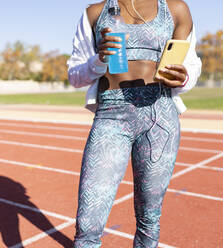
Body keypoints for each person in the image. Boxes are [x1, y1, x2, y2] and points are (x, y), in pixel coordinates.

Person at [67, 0, 202, 247]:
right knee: (88, 222)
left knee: (149, 218)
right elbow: (74, 75)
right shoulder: (95, 13)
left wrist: (183, 78)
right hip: (111, 114)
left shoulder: (176, 9)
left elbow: (192, 65)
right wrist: (98, 60)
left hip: (159, 114)